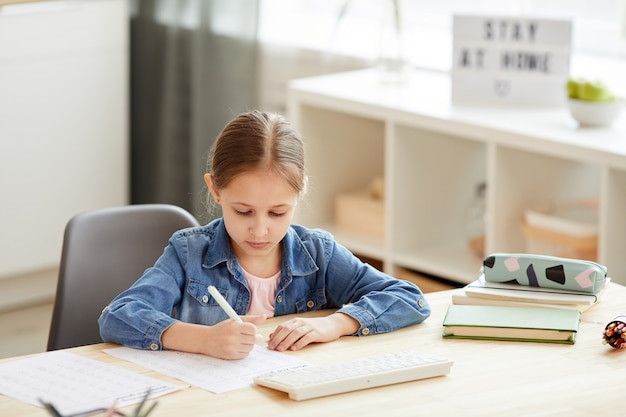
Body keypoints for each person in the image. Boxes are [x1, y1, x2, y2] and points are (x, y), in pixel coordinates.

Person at [98, 110, 431, 360]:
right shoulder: (188, 255)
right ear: (215, 190)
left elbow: (409, 298)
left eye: (277, 213)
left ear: (300, 193)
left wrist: (334, 324)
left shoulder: (317, 253)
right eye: (243, 211)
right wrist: (204, 340)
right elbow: (118, 316)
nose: (259, 229)